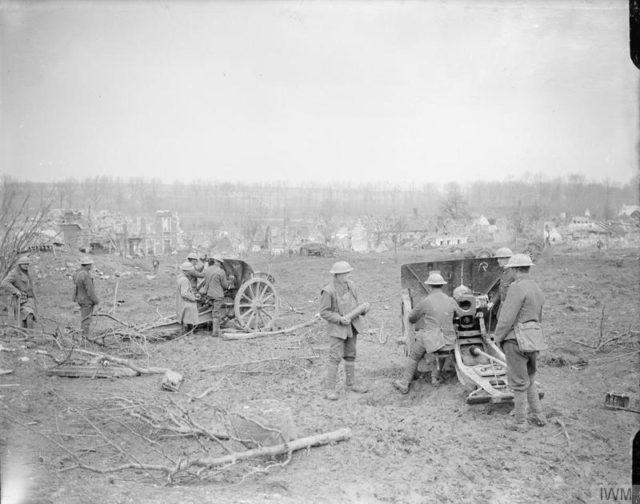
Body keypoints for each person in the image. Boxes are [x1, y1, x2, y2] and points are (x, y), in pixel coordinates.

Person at [493, 253, 546, 432]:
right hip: (534, 338)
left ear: (515, 269)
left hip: (515, 339)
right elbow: (539, 316)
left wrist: (497, 337)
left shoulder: (516, 287)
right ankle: (539, 415)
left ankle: (520, 422)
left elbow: (507, 318)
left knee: (518, 382)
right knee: (530, 378)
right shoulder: (536, 287)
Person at [393, 271, 459, 393]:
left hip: (432, 339)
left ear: (429, 286)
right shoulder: (451, 300)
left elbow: (411, 318)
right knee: (442, 348)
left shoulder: (426, 301)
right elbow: (459, 315)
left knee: (414, 355)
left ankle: (404, 383)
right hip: (449, 339)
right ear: (442, 285)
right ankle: (435, 378)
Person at [320, 261, 369, 400]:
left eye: (348, 273)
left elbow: (356, 304)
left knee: (351, 355)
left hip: (352, 326)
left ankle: (350, 384)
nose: (347, 276)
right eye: (344, 274)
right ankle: (330, 389)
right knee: (335, 357)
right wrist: (339, 319)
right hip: (337, 328)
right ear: (336, 275)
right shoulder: (328, 291)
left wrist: (363, 310)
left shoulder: (352, 286)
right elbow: (324, 312)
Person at [1, 256, 37, 329]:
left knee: (28, 317)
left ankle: (26, 336)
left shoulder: (27, 273)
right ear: (19, 265)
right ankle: (30, 335)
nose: (26, 266)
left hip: (28, 300)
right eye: (24, 264)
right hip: (18, 300)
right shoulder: (14, 273)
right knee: (29, 314)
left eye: (27, 264)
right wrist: (15, 291)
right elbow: (4, 283)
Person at [199, 255, 229, 337]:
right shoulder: (221, 271)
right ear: (219, 262)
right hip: (218, 295)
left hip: (209, 294)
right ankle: (215, 332)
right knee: (216, 313)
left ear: (214, 261)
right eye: (221, 263)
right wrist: (230, 282)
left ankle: (209, 327)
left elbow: (205, 281)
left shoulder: (208, 269)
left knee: (212, 310)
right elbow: (225, 286)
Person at [72, 256, 100, 337]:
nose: (91, 266)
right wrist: (96, 301)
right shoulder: (86, 275)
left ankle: (82, 336)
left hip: (79, 299)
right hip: (87, 300)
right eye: (90, 264)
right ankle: (85, 338)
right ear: (86, 265)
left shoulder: (76, 273)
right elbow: (90, 291)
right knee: (87, 320)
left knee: (84, 318)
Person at [176, 261, 199, 334]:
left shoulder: (180, 277)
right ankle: (189, 332)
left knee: (184, 317)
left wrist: (193, 294)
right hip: (185, 302)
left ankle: (185, 331)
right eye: (191, 271)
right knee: (191, 312)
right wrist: (194, 298)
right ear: (187, 271)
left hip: (180, 301)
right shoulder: (185, 280)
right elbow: (184, 293)